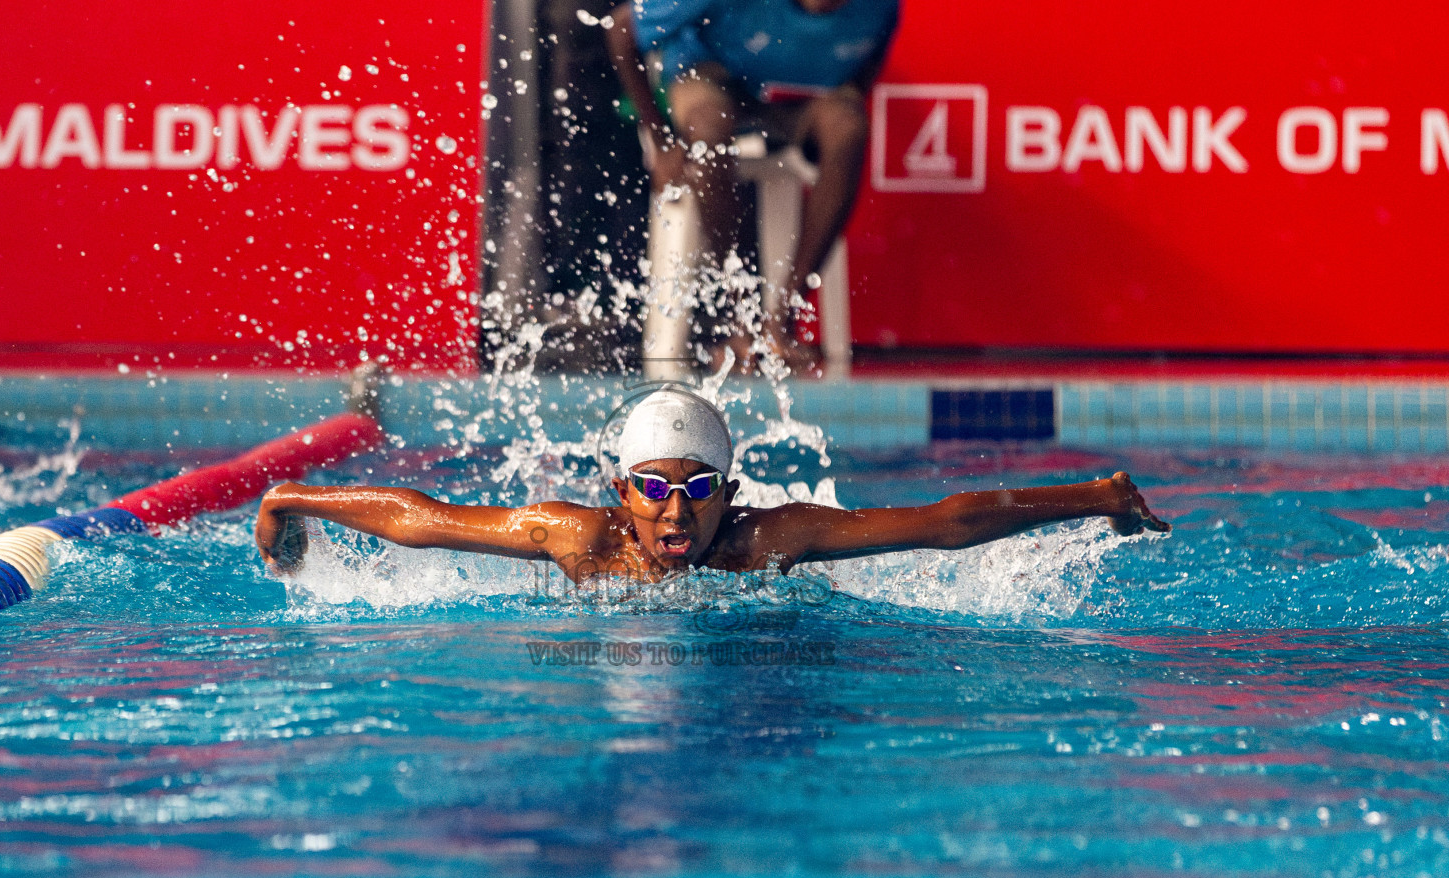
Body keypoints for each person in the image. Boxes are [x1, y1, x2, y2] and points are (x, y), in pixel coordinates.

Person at [255, 388, 1170, 583]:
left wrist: (1097, 494)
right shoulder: (583, 539)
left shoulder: (768, 540)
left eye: (698, 489)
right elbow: (425, 519)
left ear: (730, 494)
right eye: (651, 488)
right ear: (621, 492)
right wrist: (294, 497)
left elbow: (939, 523)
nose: (673, 509)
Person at [606, 0, 901, 375]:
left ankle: (783, 319)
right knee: (709, 133)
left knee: (847, 126)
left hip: (796, 101)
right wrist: (661, 142)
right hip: (713, 81)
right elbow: (621, 28)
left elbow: (866, 68)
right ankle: (739, 317)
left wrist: (845, 94)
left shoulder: (881, 9)